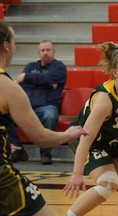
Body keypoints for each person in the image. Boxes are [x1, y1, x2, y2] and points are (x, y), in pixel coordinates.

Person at [0, 21, 87, 216]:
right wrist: (68, 134)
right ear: (6, 46)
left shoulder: (55, 68)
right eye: (14, 42)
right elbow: (41, 138)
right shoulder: (9, 88)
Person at [63, 42, 118, 216]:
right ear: (115, 73)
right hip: (89, 140)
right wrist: (77, 174)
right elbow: (86, 138)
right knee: (108, 183)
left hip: (117, 141)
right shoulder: (105, 100)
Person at [8, 39, 67, 165]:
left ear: (54, 51)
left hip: (47, 107)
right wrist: (44, 82)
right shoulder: (30, 66)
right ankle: (18, 150)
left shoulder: (59, 67)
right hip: (27, 107)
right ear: (39, 52)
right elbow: (23, 85)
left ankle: (45, 153)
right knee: (5, 114)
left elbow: (48, 77)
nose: (45, 53)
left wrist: (27, 77)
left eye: (48, 50)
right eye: (42, 50)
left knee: (51, 115)